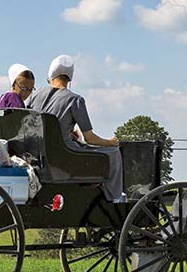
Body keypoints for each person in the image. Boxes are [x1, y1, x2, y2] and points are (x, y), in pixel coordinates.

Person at [26, 55, 125, 202]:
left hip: (36, 156)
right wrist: (111, 142)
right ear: (69, 79)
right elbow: (89, 138)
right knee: (113, 153)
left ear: (51, 76)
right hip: (63, 158)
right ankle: (114, 198)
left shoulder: (35, 96)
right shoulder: (75, 100)